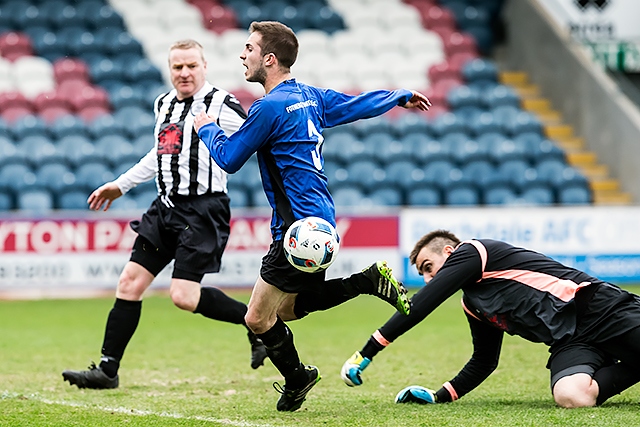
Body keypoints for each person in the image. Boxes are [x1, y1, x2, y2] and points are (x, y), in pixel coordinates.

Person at [194, 20, 430, 412]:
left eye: (249, 49)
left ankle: (298, 377)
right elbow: (355, 106)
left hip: (298, 229)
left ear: (269, 59)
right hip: (318, 220)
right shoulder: (309, 96)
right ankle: (366, 282)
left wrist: (207, 129)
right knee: (285, 310)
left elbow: (229, 158)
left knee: (257, 318)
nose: (242, 55)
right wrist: (397, 95)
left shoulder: (267, 108)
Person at [62, 39, 267, 390]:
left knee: (183, 297)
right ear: (169, 69)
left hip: (204, 210)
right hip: (165, 207)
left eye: (191, 66)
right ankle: (108, 370)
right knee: (130, 282)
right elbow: (159, 154)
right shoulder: (164, 104)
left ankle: (254, 324)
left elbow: (255, 145)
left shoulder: (224, 105)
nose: (184, 73)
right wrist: (121, 185)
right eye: (177, 67)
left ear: (204, 66)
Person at [341, 229, 640, 408]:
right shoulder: (473, 304)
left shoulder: (475, 252)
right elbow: (484, 361)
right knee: (571, 396)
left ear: (449, 251)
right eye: (424, 274)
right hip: (569, 341)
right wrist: (439, 396)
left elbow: (420, 306)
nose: (430, 278)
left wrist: (367, 352)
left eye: (429, 267)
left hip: (599, 309)